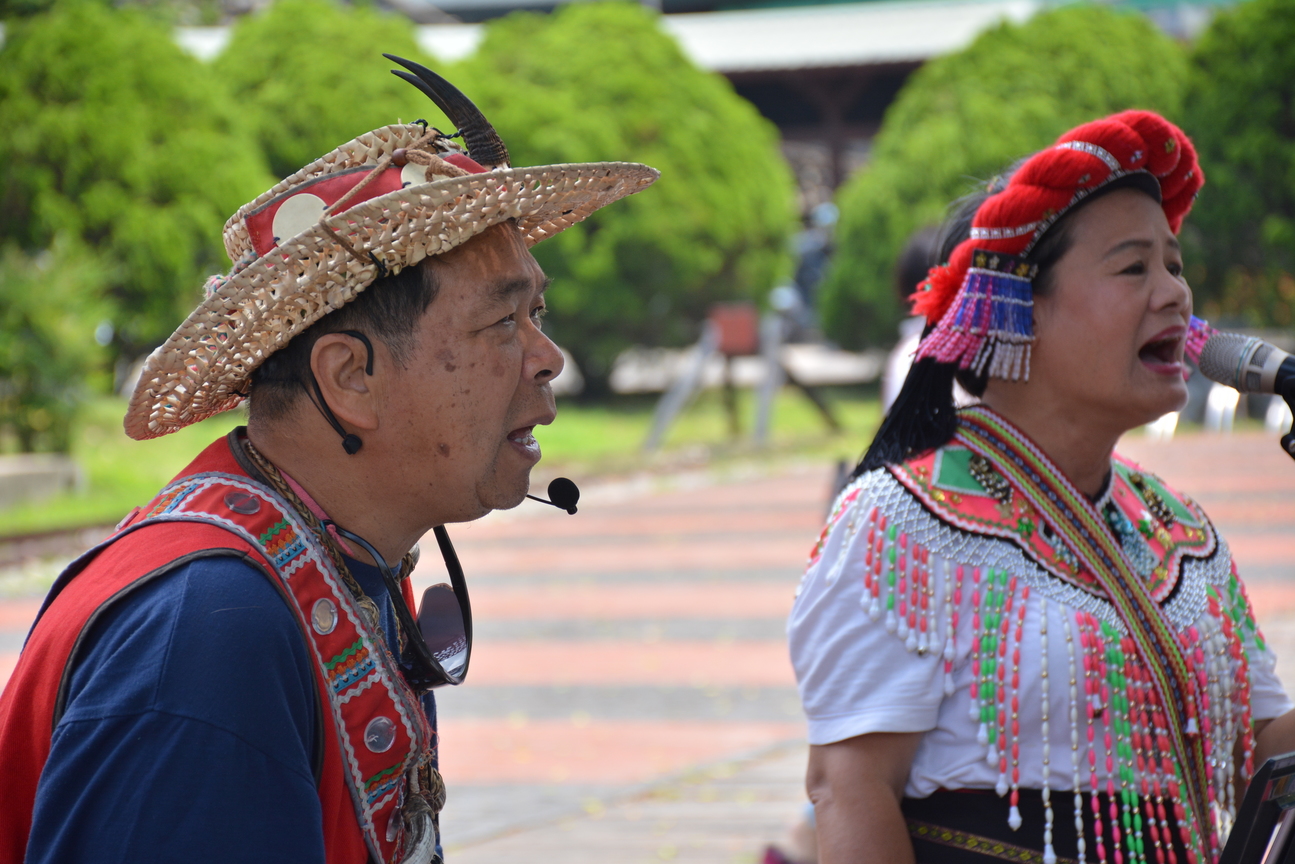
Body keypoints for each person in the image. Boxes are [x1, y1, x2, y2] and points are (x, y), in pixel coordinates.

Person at [0, 56, 656, 864]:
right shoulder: (208, 629)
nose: (546, 356)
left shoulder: (331, 561)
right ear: (350, 378)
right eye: (501, 324)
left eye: (537, 313)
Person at [788, 110, 1295, 864]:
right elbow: (848, 788)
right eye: (1132, 269)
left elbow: (1266, 751)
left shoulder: (1178, 530)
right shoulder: (902, 522)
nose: (1174, 296)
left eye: (1174, 266)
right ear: (1018, 308)